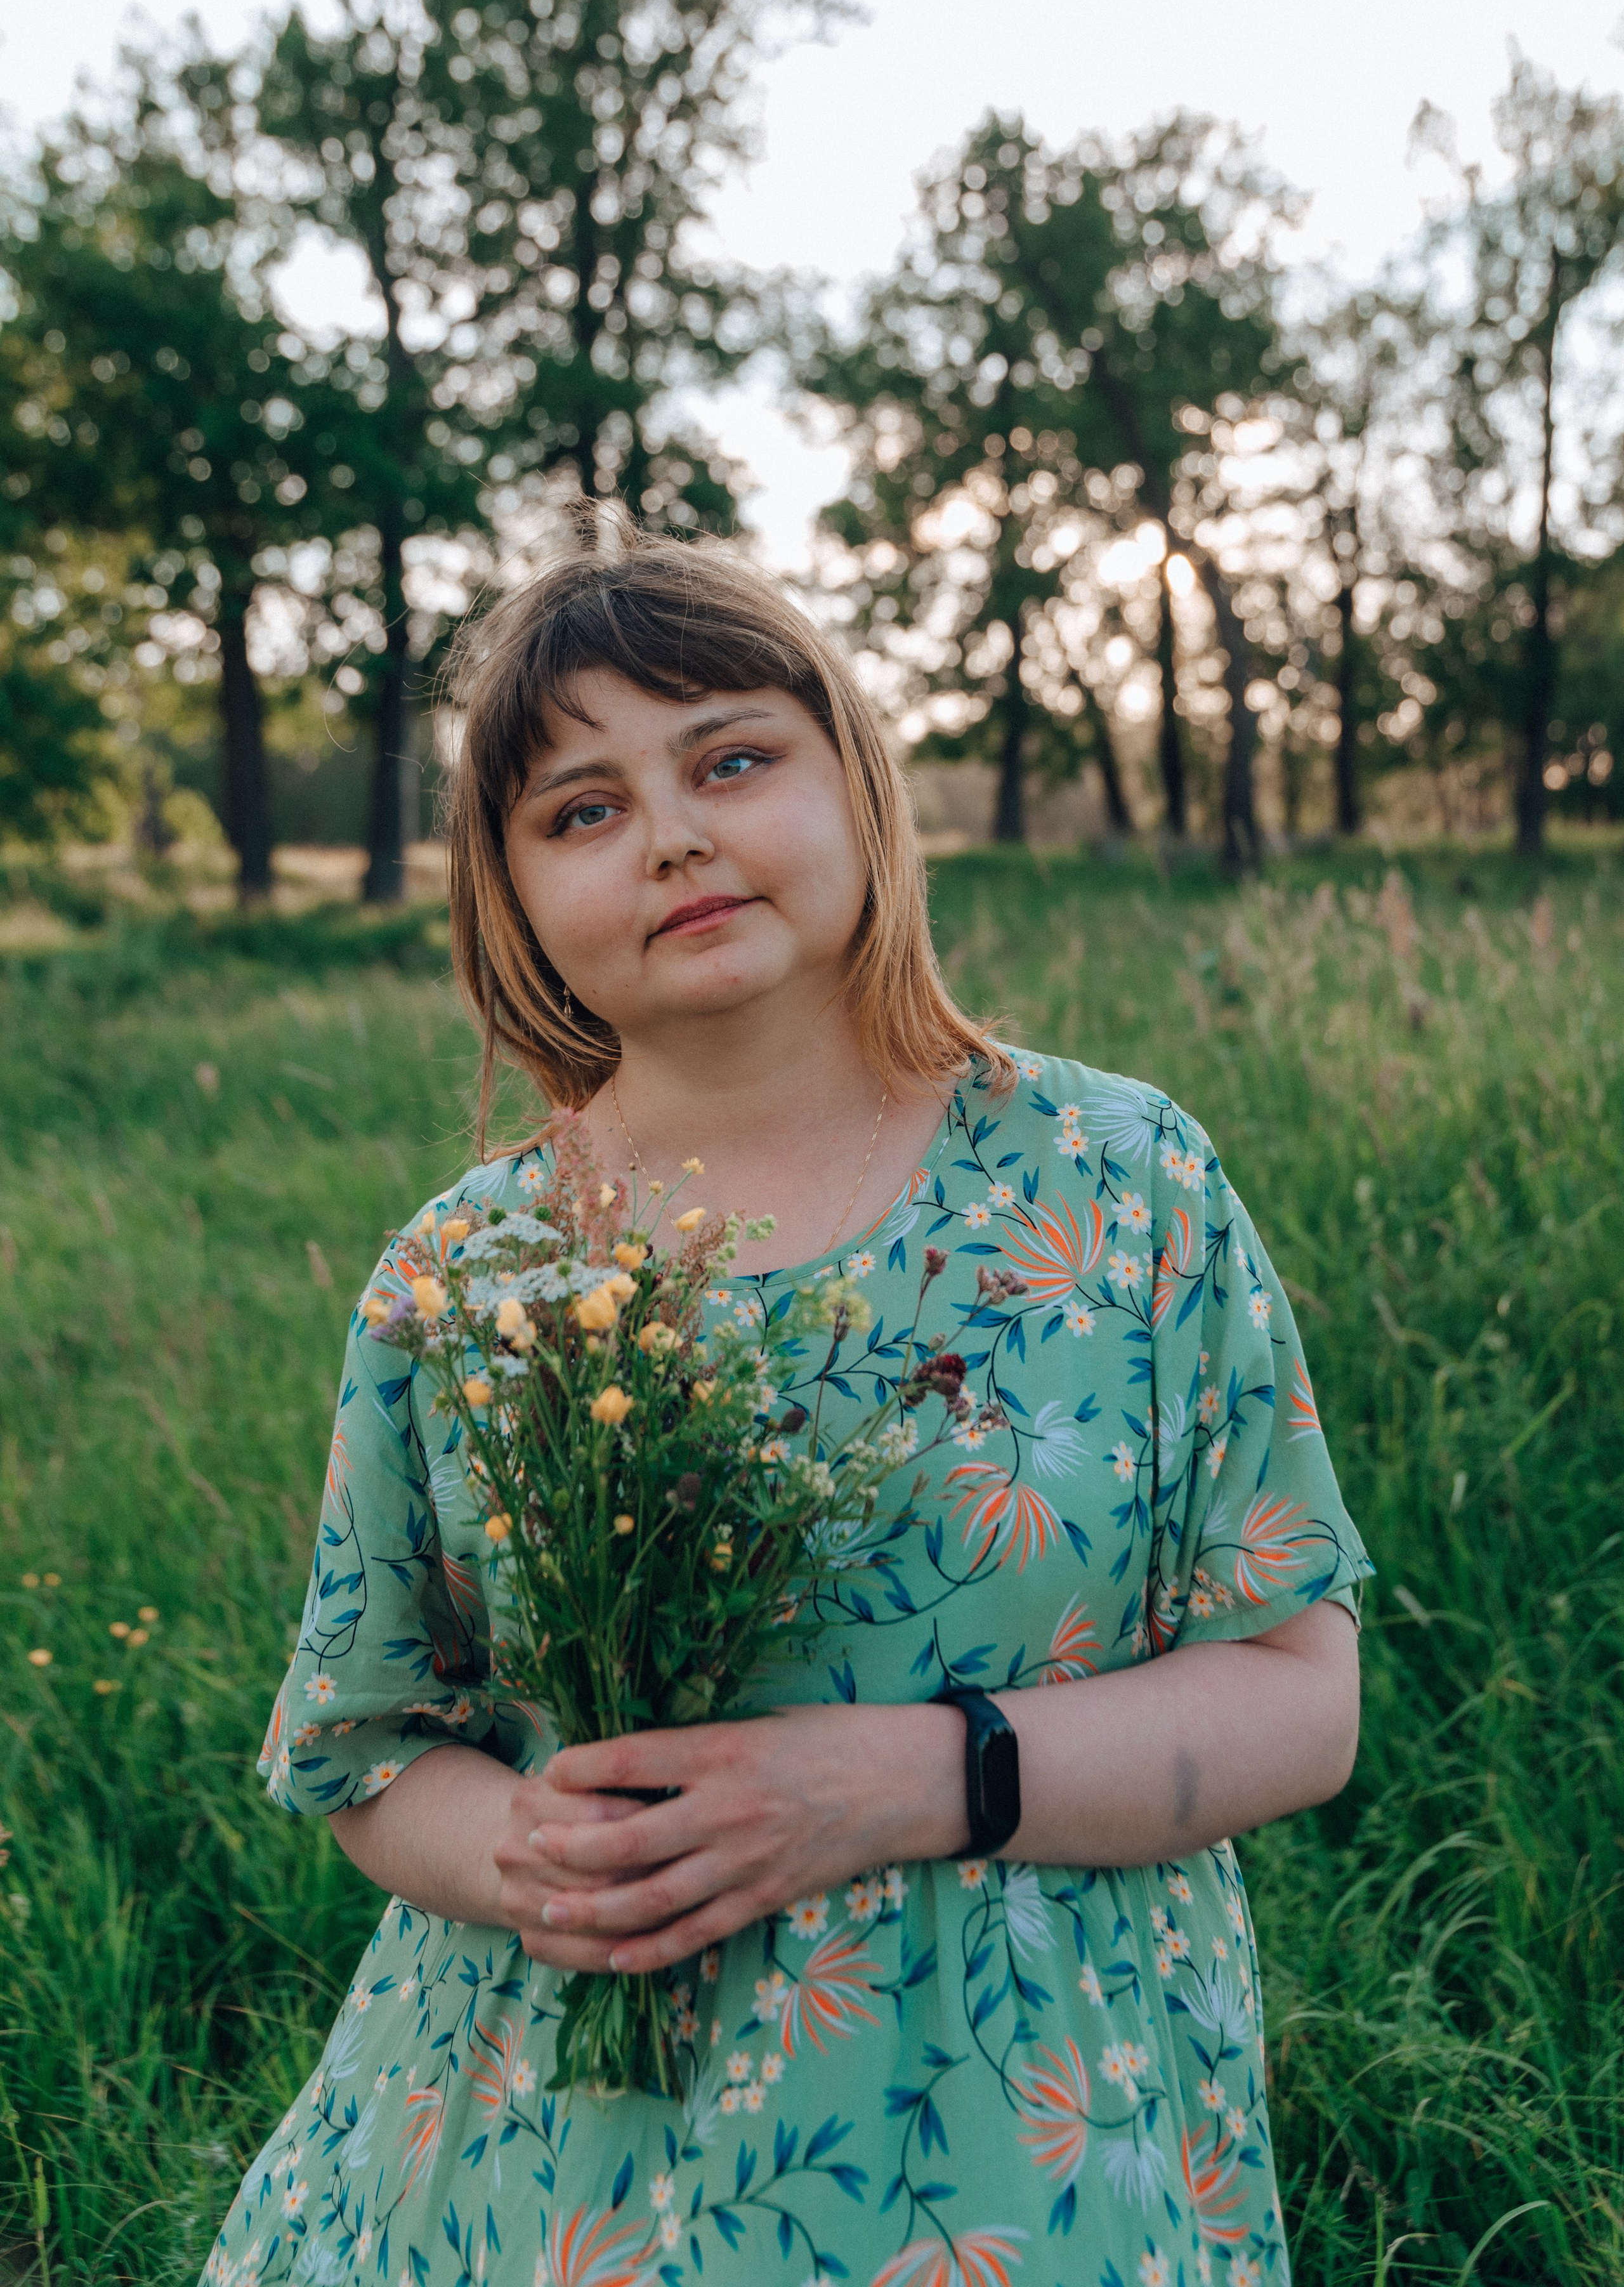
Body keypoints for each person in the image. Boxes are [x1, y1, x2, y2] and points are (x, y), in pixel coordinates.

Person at [204, 518, 1371, 2287]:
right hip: (543, 2180)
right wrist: (540, 1848)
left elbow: (1302, 1699)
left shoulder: (1121, 1183)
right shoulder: (467, 1274)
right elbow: (362, 1753)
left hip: (1026, 2154)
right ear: (508, 900)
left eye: (732, 759)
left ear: (855, 784)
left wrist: (910, 1779)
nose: (672, 833)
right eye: (580, 810)